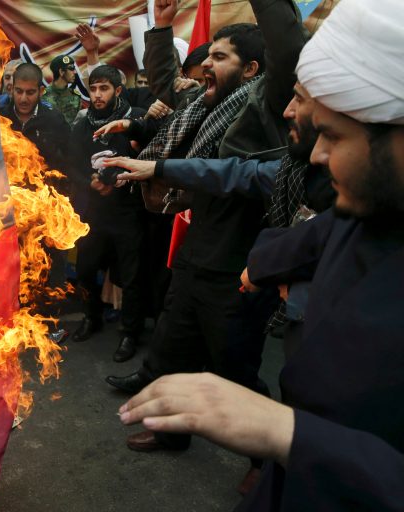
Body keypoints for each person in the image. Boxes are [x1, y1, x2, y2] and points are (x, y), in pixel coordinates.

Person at [119, 1, 404, 508]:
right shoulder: (366, 209)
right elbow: (311, 231)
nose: (314, 152)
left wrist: (285, 434)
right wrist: (265, 265)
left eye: (333, 134)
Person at [95, 0, 307, 494]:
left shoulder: (264, 105)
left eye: (221, 57)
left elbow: (288, 48)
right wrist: (162, 29)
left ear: (252, 69)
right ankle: (174, 434)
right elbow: (168, 87)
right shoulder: (204, 107)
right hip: (195, 256)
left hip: (237, 268)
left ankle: (267, 459)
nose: (206, 65)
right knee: (173, 349)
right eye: (206, 56)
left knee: (233, 368)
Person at [67, 65, 153, 362]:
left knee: (132, 276)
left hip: (129, 211)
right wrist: (88, 182)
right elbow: (73, 164)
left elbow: (151, 158)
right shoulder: (82, 124)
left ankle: (130, 332)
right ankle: (92, 317)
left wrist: (121, 181)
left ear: (118, 90)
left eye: (104, 89)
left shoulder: (137, 119)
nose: (97, 95)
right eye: (93, 89)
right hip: (95, 213)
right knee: (85, 269)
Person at [0, 63, 69, 174]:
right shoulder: (0, 118)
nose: (23, 99)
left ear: (40, 91)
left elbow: (70, 162)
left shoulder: (55, 120)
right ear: (12, 89)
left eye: (30, 93)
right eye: (19, 91)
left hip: (44, 189)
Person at [43, 54, 82, 126]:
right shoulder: (43, 96)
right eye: (71, 68)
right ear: (61, 72)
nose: (75, 72)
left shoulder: (75, 95)